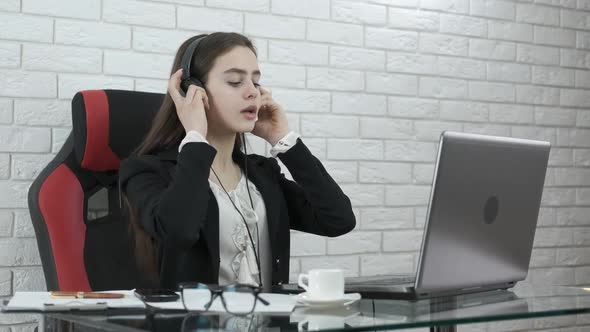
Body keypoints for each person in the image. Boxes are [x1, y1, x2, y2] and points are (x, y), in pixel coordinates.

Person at [119, 32, 355, 291]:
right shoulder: (146, 171)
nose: (253, 92)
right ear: (192, 90)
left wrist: (284, 140)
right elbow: (179, 231)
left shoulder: (262, 174)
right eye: (235, 81)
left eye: (256, 81)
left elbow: (339, 220)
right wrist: (195, 135)